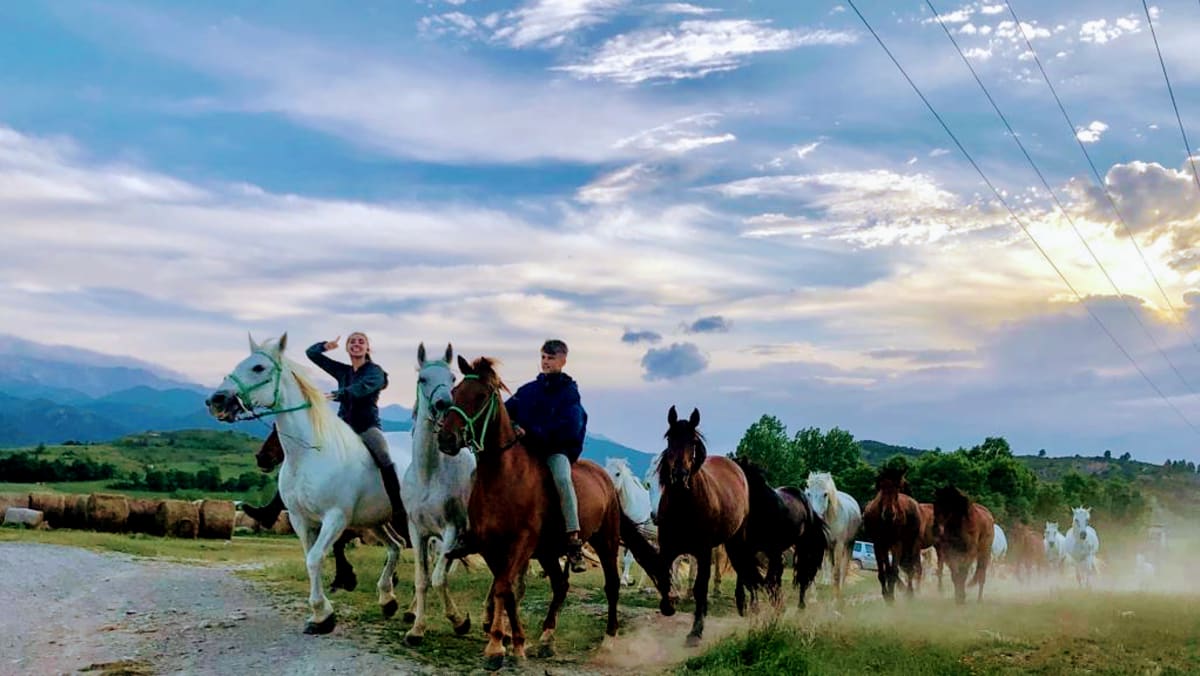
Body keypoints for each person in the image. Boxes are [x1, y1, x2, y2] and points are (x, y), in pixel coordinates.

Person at [446, 339, 589, 573]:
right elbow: (503, 412)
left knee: (562, 478)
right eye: (543, 357)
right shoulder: (528, 390)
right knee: (476, 474)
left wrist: (532, 432)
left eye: (551, 358)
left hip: (554, 449)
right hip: (526, 449)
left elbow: (569, 425)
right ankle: (472, 531)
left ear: (563, 360)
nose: (546, 362)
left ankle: (573, 539)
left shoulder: (569, 393)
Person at [241, 332, 406, 533]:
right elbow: (312, 354)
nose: (356, 344)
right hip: (341, 427)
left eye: (361, 341)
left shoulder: (375, 372)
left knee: (384, 457)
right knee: (302, 454)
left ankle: (399, 511)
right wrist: (325, 346)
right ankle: (271, 511)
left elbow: (361, 389)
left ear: (367, 348)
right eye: (352, 341)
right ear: (347, 348)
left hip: (366, 427)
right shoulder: (342, 371)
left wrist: (338, 394)